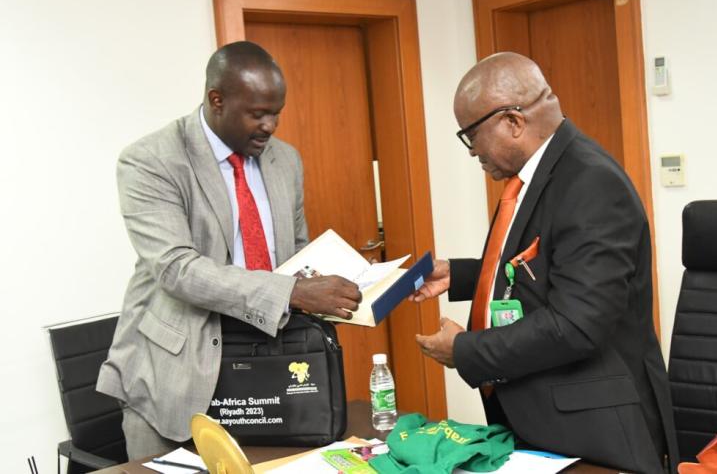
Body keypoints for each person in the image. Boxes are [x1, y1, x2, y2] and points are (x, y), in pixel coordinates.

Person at [413, 52, 679, 473]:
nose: (471, 152)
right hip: (544, 420)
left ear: (512, 122)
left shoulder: (591, 182)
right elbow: (547, 260)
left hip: (594, 433)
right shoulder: (545, 171)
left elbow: (577, 324)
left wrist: (466, 350)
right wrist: (463, 274)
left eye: (470, 135)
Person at [97, 41, 362, 459]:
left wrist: (341, 288)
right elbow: (175, 267)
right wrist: (290, 292)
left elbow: (293, 252)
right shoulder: (151, 160)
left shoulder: (285, 160)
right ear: (216, 99)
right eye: (257, 113)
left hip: (267, 377)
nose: (271, 125)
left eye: (276, 113)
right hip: (174, 380)